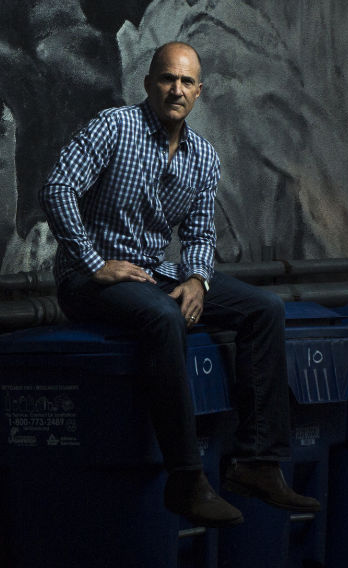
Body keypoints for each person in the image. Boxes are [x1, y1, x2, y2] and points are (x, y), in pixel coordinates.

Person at [41, 41, 320, 527]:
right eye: (168, 78)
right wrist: (92, 262)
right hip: (87, 281)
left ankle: (255, 463)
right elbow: (58, 187)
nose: (177, 89)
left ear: (199, 92)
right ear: (149, 84)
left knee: (264, 310)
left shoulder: (203, 157)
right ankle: (186, 479)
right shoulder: (114, 127)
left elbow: (198, 232)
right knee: (163, 315)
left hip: (152, 273)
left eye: (187, 82)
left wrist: (197, 278)